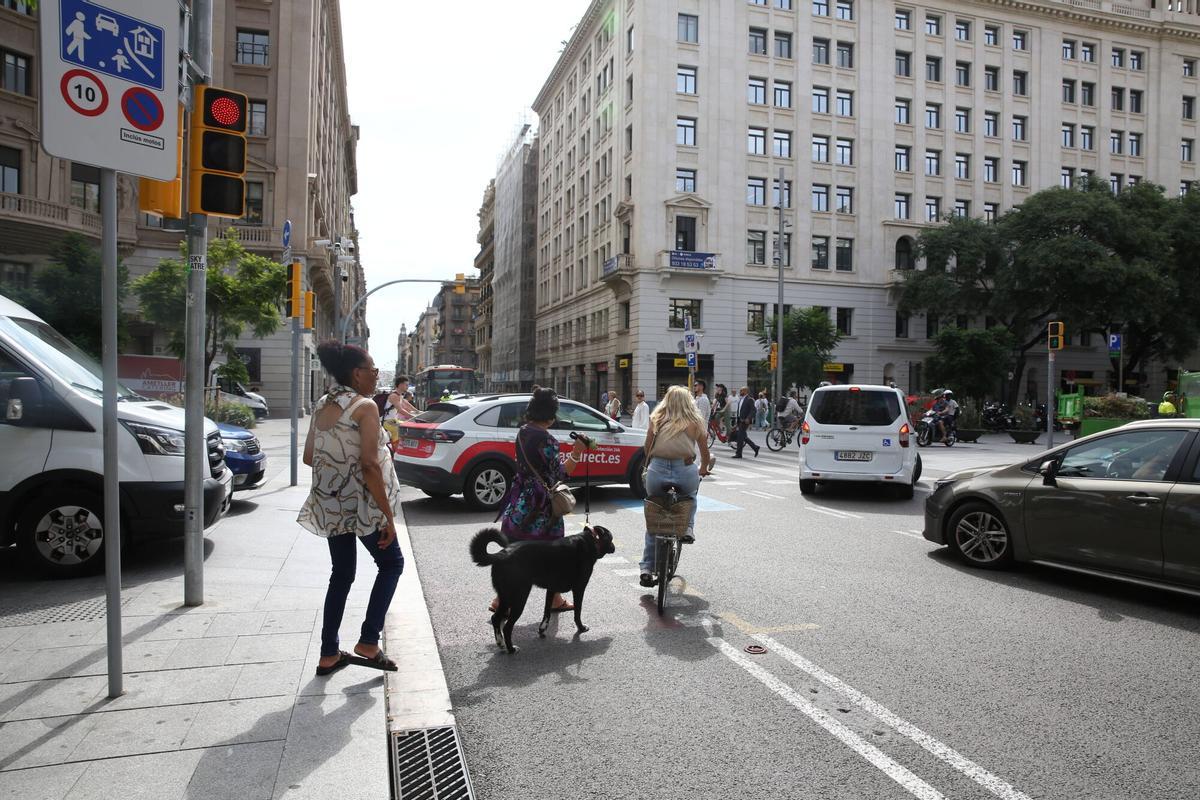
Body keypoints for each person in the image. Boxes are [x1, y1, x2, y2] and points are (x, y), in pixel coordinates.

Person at [299, 342, 404, 677]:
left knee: (341, 574)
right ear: (357, 374)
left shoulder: (322, 403)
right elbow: (370, 465)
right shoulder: (365, 407)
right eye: (373, 369)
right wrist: (388, 517)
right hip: (362, 505)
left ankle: (329, 653)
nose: (376, 375)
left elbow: (309, 456)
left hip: (331, 503)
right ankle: (369, 641)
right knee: (392, 564)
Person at [495, 388, 590, 612]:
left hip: (519, 502)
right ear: (551, 413)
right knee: (553, 553)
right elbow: (560, 474)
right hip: (541, 506)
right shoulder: (547, 440)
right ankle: (555, 599)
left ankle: (500, 600)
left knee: (513, 549)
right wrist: (577, 453)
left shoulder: (523, 431)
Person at [638, 385, 713, 587]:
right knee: (691, 496)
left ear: (667, 401)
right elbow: (705, 453)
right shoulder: (695, 422)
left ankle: (646, 567)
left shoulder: (657, 418)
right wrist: (703, 468)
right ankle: (687, 528)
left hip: (657, 470)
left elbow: (647, 448)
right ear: (689, 402)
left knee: (655, 517)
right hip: (685, 469)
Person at [732, 386, 761, 458]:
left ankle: (738, 454)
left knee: (740, 437)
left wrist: (748, 418)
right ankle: (755, 447)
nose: (740, 392)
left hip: (745, 421)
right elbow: (740, 411)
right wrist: (737, 422)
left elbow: (754, 410)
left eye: (741, 391)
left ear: (746, 391)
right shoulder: (741, 399)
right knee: (743, 437)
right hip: (740, 420)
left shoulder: (750, 399)